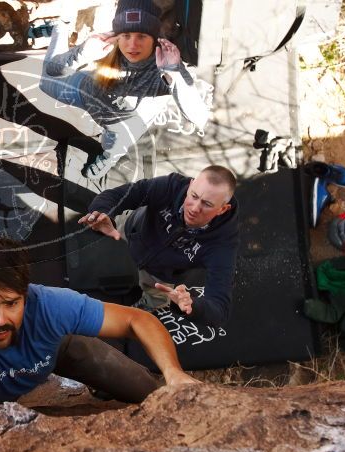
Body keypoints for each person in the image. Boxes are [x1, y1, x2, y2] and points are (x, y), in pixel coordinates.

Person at [0, 236, 198, 441]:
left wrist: (173, 373)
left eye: (11, 303)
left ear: (26, 295)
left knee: (154, 393)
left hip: (53, 354)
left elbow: (136, 319)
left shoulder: (50, 304)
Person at [39, 0, 209, 179]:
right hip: (90, 95)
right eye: (126, 35)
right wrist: (82, 53)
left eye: (142, 36)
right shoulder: (105, 45)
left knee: (112, 146)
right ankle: (59, 26)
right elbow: (51, 72)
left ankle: (109, 159)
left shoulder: (165, 63)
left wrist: (173, 73)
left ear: (153, 36)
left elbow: (200, 117)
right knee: (45, 83)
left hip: (124, 123)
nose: (133, 45)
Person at [79, 165, 238, 327]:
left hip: (160, 276)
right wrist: (102, 213)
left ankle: (151, 303)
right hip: (132, 233)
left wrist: (191, 306)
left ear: (222, 209)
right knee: (116, 255)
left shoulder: (222, 244)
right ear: (190, 185)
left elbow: (220, 310)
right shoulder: (171, 186)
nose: (195, 208)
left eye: (207, 204)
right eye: (194, 196)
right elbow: (121, 194)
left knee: (156, 295)